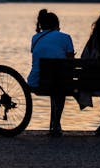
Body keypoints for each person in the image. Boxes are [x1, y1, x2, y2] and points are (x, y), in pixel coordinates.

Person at [27, 9, 74, 137]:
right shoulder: (66, 37)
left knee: (53, 81)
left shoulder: (35, 38)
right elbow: (70, 62)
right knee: (59, 85)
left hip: (36, 81)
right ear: (56, 24)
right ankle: (56, 124)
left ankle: (54, 125)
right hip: (59, 82)